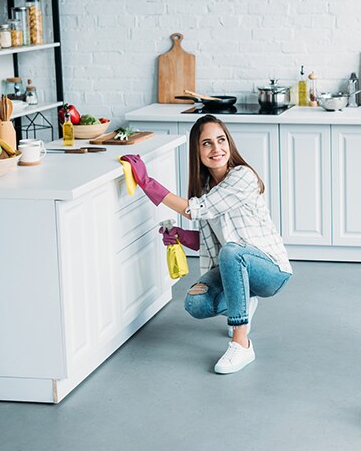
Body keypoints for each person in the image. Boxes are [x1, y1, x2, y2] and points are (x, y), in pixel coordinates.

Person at [121, 115, 292, 375]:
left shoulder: (242, 176)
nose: (216, 149)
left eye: (221, 140)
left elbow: (198, 212)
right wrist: (180, 236)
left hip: (271, 271)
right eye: (207, 143)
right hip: (235, 262)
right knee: (195, 303)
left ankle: (241, 343)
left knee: (233, 252)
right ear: (197, 151)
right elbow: (212, 242)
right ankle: (244, 302)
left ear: (229, 144)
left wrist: (147, 183)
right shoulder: (205, 188)